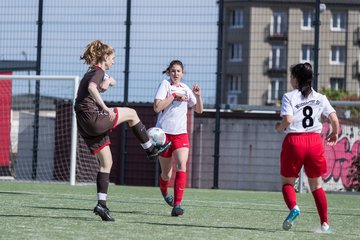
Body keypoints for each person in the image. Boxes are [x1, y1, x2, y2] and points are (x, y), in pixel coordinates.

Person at [74, 40, 171, 221]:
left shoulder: (94, 73)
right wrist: (105, 107)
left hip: (83, 123)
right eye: (113, 58)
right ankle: (150, 149)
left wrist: (108, 83)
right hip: (93, 118)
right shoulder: (98, 71)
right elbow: (92, 88)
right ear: (105, 57)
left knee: (106, 162)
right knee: (132, 113)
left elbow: (97, 88)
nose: (114, 62)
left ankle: (101, 205)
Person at [275, 62, 339, 233]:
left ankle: (294, 207)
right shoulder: (321, 97)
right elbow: (334, 119)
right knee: (316, 185)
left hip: (295, 141)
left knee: (287, 182)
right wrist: (334, 133)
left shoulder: (289, 96)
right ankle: (324, 224)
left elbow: (287, 120)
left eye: (291, 76)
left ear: (295, 79)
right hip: (314, 142)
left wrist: (278, 128)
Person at [153, 60, 203, 216]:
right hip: (164, 135)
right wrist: (173, 95)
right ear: (169, 72)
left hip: (181, 134)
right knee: (166, 173)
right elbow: (157, 107)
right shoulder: (165, 85)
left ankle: (177, 205)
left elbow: (199, 110)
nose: (176, 73)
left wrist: (198, 96)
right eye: (173, 71)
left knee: (182, 165)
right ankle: (164, 192)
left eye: (178, 71)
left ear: (183, 73)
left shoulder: (186, 89)